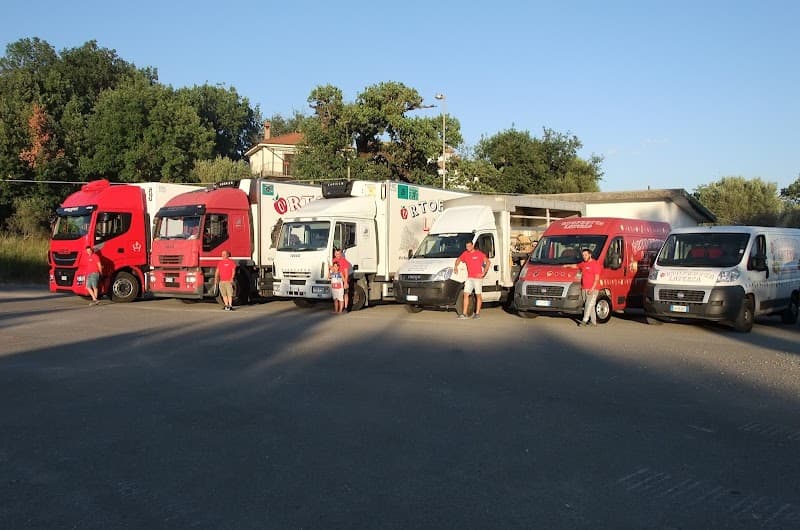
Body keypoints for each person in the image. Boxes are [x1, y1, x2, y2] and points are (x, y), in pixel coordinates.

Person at [453, 241, 490, 319]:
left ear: (472, 246)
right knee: (466, 294)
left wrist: (483, 273)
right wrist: (456, 266)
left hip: (478, 278)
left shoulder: (479, 253)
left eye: (469, 246)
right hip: (469, 278)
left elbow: (488, 262)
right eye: (467, 246)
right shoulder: (465, 253)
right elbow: (458, 259)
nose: (468, 248)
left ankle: (477, 314)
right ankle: (464, 314)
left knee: (478, 295)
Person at [574, 248, 601, 327]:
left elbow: (597, 278)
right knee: (590, 305)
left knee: (588, 305)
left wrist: (592, 289)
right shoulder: (583, 264)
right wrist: (566, 266)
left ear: (590, 254)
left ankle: (584, 321)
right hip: (584, 288)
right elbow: (576, 266)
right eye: (583, 255)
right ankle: (593, 322)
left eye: (586, 255)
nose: (584, 257)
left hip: (592, 289)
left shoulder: (595, 264)